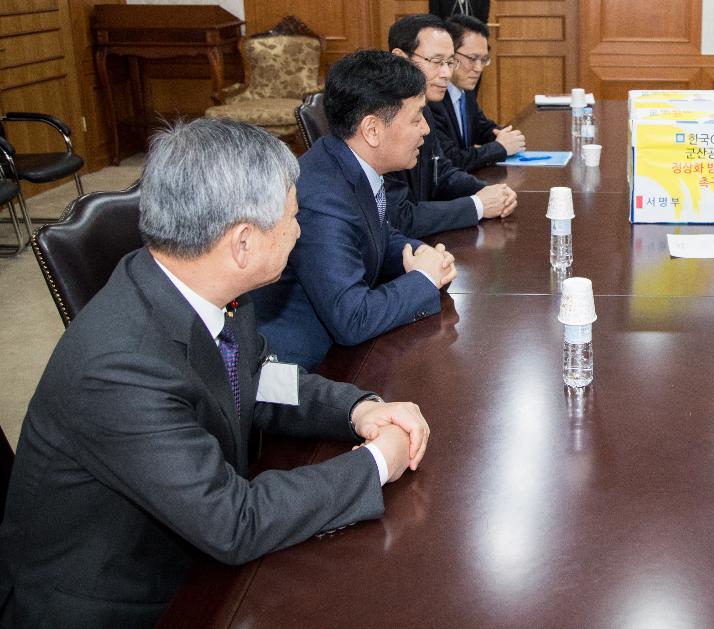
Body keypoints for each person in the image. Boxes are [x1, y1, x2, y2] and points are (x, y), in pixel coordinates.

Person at [0, 118, 430, 628]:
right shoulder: (119, 368)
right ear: (242, 243)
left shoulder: (207, 287)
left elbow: (260, 378)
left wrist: (357, 408)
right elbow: (234, 522)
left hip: (190, 544)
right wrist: (377, 463)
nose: (299, 229)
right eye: (294, 217)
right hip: (123, 601)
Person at [251, 50, 457, 369]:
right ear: (372, 130)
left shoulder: (346, 163)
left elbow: (376, 235)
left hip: (346, 351)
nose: (426, 130)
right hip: (307, 372)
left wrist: (427, 256)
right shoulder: (322, 199)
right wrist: (424, 280)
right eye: (417, 118)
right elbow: (353, 319)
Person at [386, 14, 517, 237]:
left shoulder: (422, 105)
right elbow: (399, 217)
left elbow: (441, 171)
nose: (447, 73)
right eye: (437, 62)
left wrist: (484, 190)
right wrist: (478, 205)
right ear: (400, 58)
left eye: (450, 63)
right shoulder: (381, 116)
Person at [431, 14, 526, 172]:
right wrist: (499, 147)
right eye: (472, 58)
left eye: (483, 60)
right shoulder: (433, 99)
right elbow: (451, 160)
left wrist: (507, 135)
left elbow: (481, 128)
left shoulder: (465, 92)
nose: (479, 68)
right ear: (449, 55)